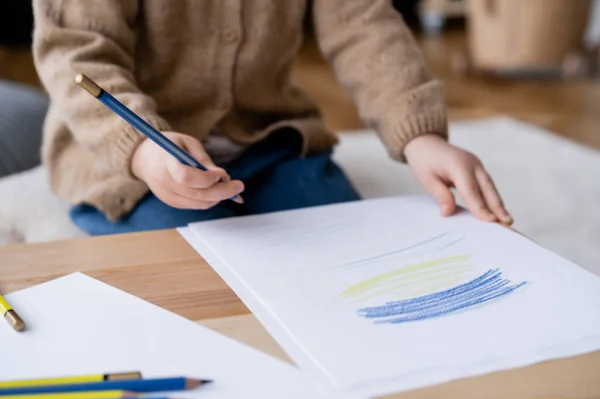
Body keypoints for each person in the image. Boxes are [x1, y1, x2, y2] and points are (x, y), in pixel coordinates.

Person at [31, 0, 512, 236]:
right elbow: (76, 53)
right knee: (192, 264)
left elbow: (363, 23)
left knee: (346, 241)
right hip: (131, 158)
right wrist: (141, 150)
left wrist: (419, 135)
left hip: (266, 136)